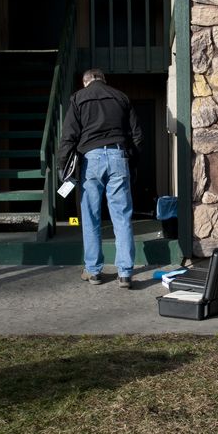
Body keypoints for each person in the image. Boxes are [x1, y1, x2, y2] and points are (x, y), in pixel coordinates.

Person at [57, 68, 143, 288]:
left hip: (91, 159)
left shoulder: (78, 98)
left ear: (86, 82)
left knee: (90, 216)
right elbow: (137, 135)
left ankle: (94, 271)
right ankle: (125, 273)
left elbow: (69, 136)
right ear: (104, 80)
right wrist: (131, 162)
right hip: (118, 156)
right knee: (122, 215)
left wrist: (62, 165)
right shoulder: (121, 96)